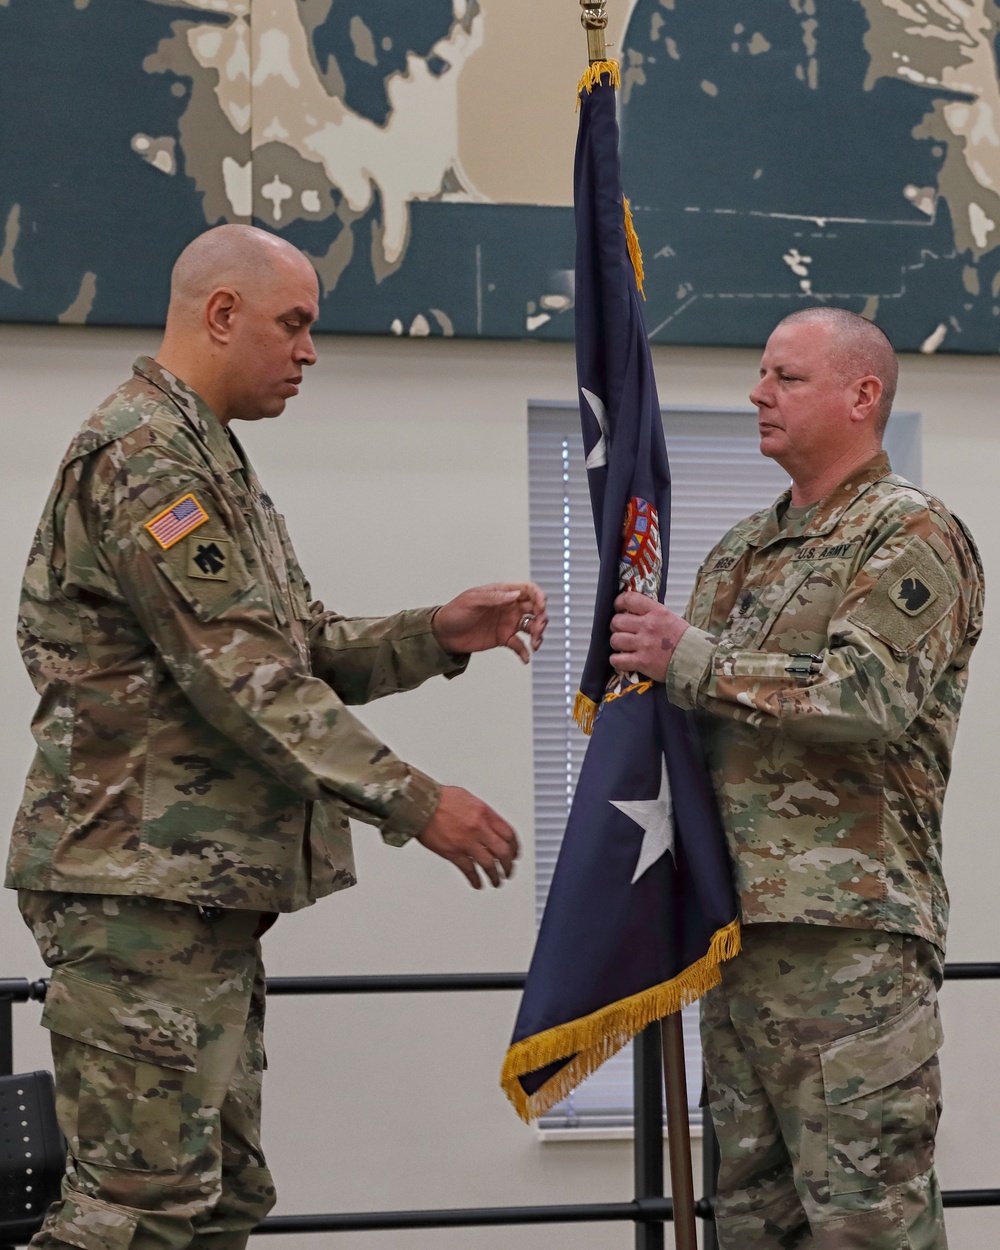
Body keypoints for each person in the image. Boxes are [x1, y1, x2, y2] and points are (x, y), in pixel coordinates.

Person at [6, 224, 547, 1250]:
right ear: (221, 314)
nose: (309, 351)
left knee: (221, 1200)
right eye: (294, 324)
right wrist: (419, 802)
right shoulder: (146, 457)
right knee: (136, 1212)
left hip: (195, 898)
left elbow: (293, 646)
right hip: (138, 897)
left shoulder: (209, 458)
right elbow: (245, 683)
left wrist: (436, 631)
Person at [610, 307, 983, 1249]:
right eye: (762, 374)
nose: (757, 394)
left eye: (786, 377)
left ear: (863, 397)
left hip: (847, 946)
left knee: (866, 1225)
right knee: (752, 1223)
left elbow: (868, 697)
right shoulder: (740, 549)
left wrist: (688, 659)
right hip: (732, 936)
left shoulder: (910, 533)